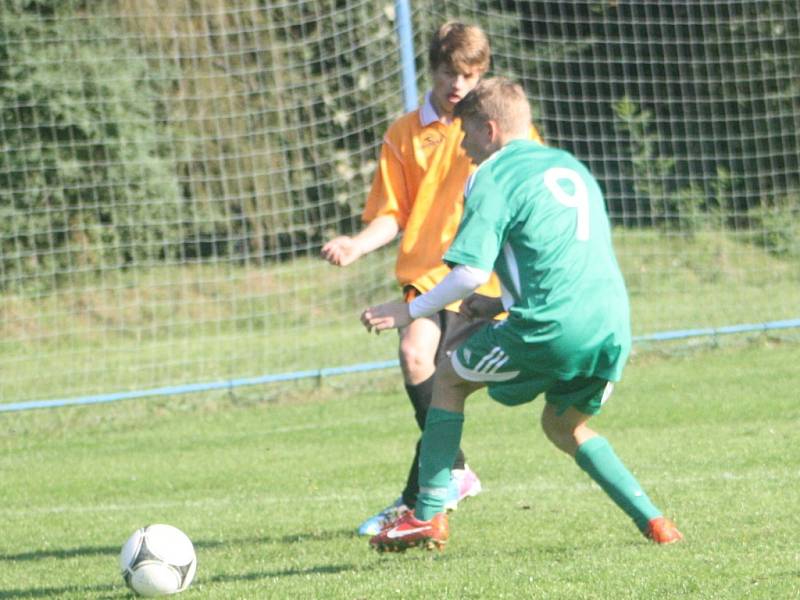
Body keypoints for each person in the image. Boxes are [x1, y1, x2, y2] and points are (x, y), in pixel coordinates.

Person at [362, 77, 683, 552]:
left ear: (489, 130)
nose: (464, 147)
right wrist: (499, 304)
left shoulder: (492, 174)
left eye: (466, 134)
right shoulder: (568, 167)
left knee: (448, 379)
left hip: (552, 328)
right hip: (611, 326)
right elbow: (557, 261)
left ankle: (426, 515)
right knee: (563, 425)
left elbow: (469, 273)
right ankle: (656, 522)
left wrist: (411, 309)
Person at [323, 22, 543, 536]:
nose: (458, 85)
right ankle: (452, 473)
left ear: (481, 75)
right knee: (415, 356)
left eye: (469, 75)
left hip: (484, 281)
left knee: (450, 382)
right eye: (449, 73)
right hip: (428, 275)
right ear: (433, 70)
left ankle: (426, 493)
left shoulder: (501, 126)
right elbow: (392, 213)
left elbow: (529, 193)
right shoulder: (405, 134)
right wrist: (357, 243)